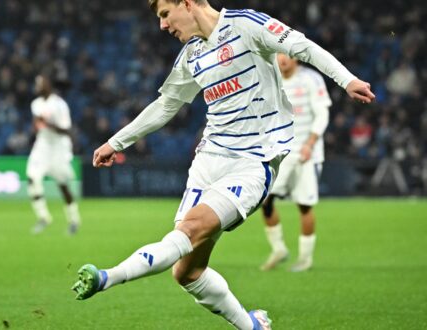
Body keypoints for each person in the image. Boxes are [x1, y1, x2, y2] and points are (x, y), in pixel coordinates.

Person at [71, 1, 375, 329]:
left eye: (164, 14)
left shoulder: (246, 25)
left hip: (253, 162)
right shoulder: (192, 54)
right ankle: (253, 326)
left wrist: (347, 80)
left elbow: (301, 46)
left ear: (187, 3)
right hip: (208, 161)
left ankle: (106, 277)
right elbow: (166, 105)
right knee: (186, 271)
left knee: (188, 231)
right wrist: (115, 143)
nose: (162, 26)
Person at [260, 54, 331, 272]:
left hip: (305, 152)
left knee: (304, 204)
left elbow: (322, 114)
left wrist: (310, 144)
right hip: (279, 152)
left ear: (296, 59)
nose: (281, 60)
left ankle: (305, 258)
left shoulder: (311, 79)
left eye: (286, 56)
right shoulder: (270, 78)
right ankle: (279, 248)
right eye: (278, 55)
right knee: (264, 199)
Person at [27, 74, 81, 235]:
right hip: (43, 145)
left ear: (48, 84)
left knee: (63, 185)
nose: (38, 86)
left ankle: (74, 219)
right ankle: (44, 217)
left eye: (41, 83)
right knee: (32, 177)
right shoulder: (35, 104)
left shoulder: (59, 104)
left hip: (59, 147)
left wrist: (47, 124)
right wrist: (37, 126)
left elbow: (66, 130)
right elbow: (36, 125)